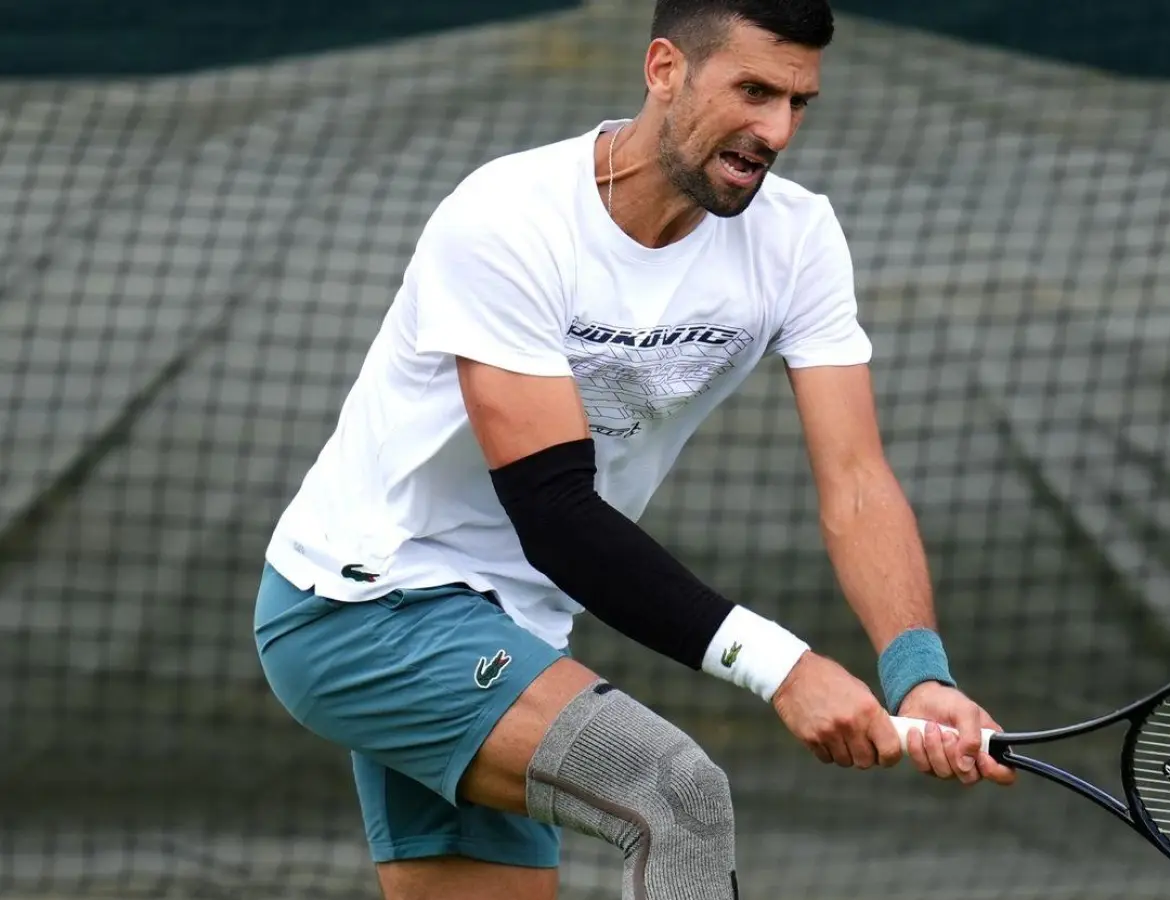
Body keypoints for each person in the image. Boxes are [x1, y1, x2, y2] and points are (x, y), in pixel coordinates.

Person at [252, 0, 1013, 897]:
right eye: (754, 90)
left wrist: (917, 673)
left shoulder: (798, 240)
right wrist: (785, 669)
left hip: (517, 627)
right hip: (365, 608)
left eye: (798, 102)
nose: (774, 130)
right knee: (676, 796)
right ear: (664, 70)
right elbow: (556, 515)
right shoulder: (506, 218)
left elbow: (856, 482)